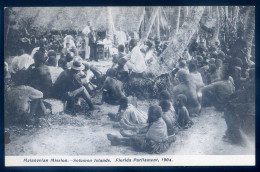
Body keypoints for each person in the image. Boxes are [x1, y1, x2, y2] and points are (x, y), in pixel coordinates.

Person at [107, 105, 176, 154]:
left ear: (156, 115)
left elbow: (147, 137)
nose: (149, 116)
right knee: (136, 138)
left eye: (150, 115)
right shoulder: (157, 120)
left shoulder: (158, 124)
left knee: (137, 140)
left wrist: (134, 134)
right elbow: (146, 130)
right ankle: (119, 140)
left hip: (157, 145)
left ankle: (119, 140)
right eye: (149, 114)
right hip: (154, 141)